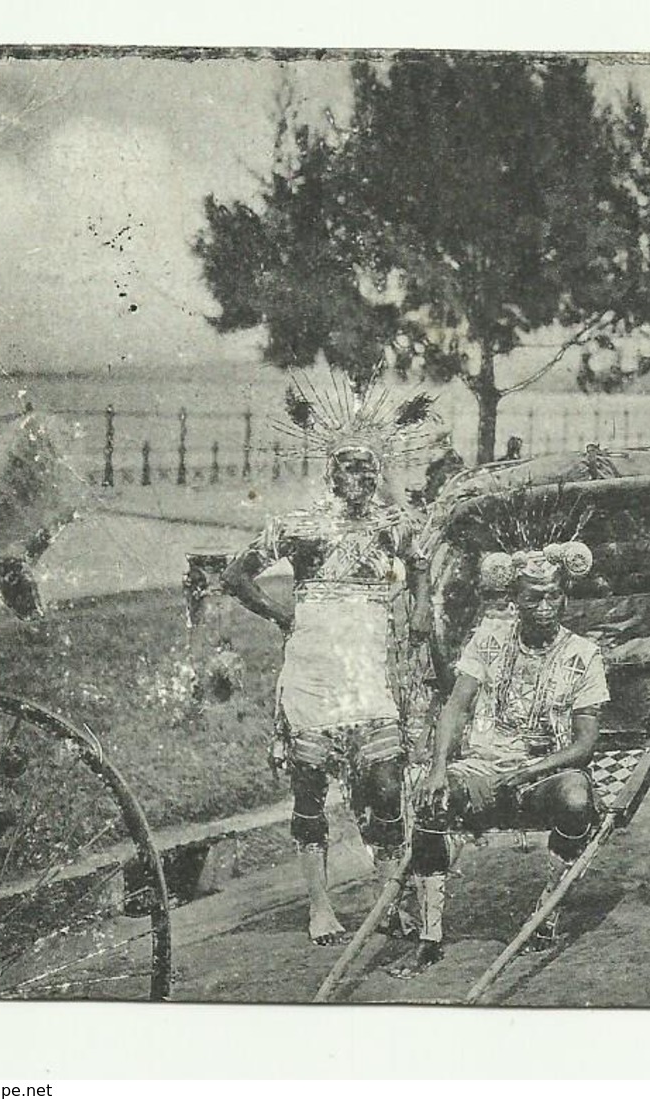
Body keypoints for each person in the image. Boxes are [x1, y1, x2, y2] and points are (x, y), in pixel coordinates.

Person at [224, 378, 439, 946]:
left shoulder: (393, 525)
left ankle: (388, 898)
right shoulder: (299, 526)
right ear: (330, 472)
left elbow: (420, 566)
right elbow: (235, 573)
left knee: (387, 784)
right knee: (310, 790)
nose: (361, 478)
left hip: (369, 670)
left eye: (369, 469)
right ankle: (320, 906)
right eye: (349, 468)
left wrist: (419, 610)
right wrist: (280, 615)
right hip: (314, 671)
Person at [390, 542, 608, 977]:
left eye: (552, 596)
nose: (545, 607)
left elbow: (584, 746)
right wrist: (437, 770)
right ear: (515, 600)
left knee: (577, 797)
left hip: (545, 772)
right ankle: (430, 937)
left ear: (564, 596)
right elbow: (455, 706)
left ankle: (547, 912)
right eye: (533, 597)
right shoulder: (489, 640)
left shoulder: (584, 654)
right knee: (432, 800)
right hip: (484, 767)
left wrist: (530, 770)